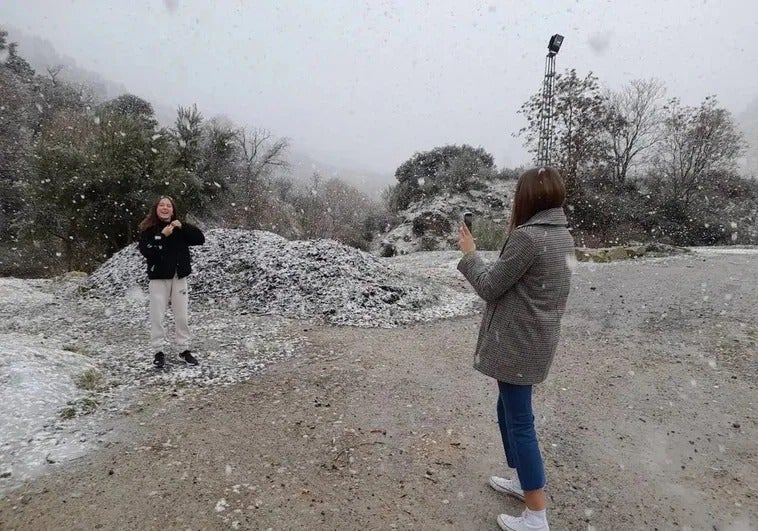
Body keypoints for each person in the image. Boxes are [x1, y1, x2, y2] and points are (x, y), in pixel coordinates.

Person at [457, 167, 574, 531]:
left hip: (518, 344)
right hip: (537, 340)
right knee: (508, 408)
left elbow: (490, 286)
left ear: (527, 198)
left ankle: (536, 514)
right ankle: (524, 480)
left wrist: (470, 254)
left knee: (520, 422)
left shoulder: (528, 237)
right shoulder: (561, 234)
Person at [138, 196, 205, 368]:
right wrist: (162, 236)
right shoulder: (148, 229)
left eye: (169, 206)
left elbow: (199, 239)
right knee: (157, 316)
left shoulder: (179, 227)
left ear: (173, 210)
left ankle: (184, 349)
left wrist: (183, 226)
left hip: (179, 277)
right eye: (162, 205)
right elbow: (148, 251)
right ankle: (158, 351)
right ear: (156, 208)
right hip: (159, 278)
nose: (165, 208)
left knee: (182, 315)